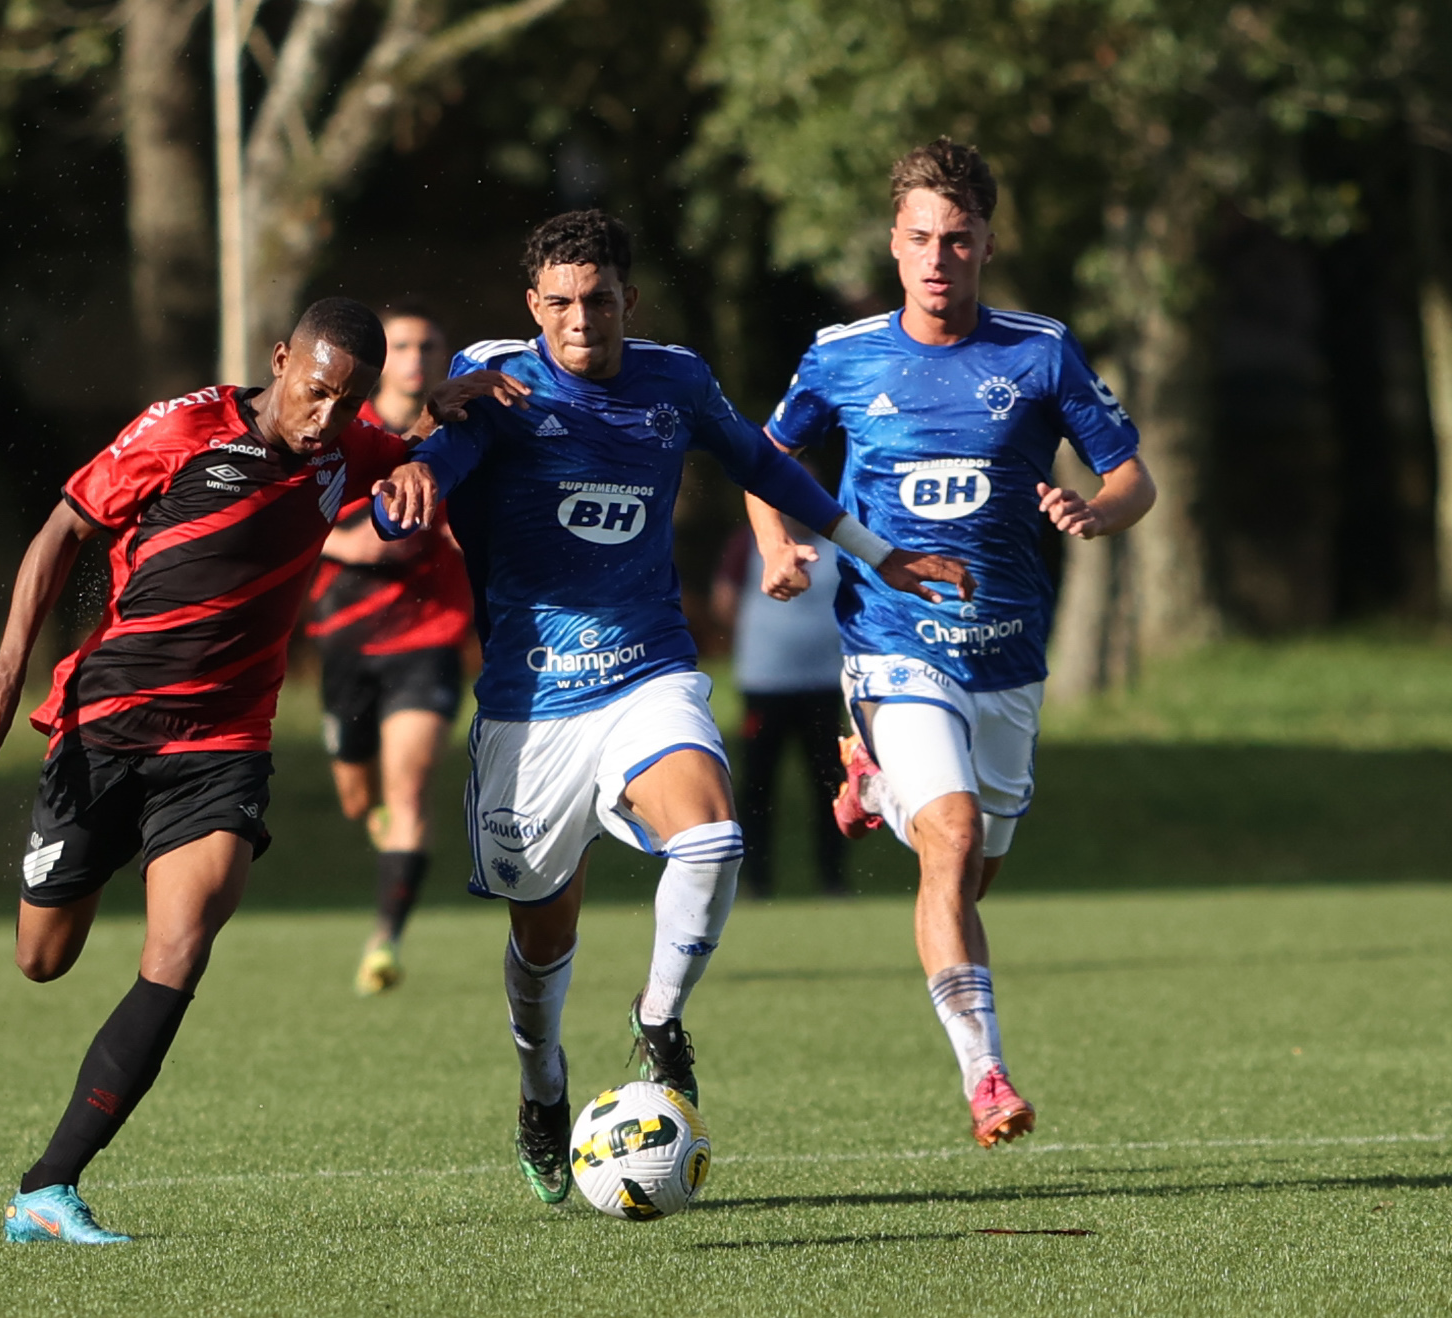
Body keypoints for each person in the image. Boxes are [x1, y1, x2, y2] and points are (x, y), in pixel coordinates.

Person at [372, 209, 973, 1204]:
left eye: (597, 299)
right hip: (531, 705)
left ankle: (658, 1018)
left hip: (649, 671)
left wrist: (880, 553)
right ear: (533, 307)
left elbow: (762, 463)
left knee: (713, 840)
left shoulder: (676, 381)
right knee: (540, 941)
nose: (579, 319)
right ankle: (541, 1085)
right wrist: (412, 479)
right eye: (558, 302)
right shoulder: (499, 385)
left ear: (628, 300)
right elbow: (430, 473)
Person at [0, 298, 514, 1246]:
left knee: (182, 946)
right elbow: (58, 534)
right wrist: (4, 675)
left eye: (346, 401)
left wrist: (438, 412)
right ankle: (102, 856)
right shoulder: (182, 427)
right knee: (43, 960)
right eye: (316, 391)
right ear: (280, 360)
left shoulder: (346, 445)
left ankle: (48, 1185)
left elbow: (393, 444)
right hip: (107, 724)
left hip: (222, 743)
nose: (326, 418)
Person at [754, 138, 1157, 1148]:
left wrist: (1098, 514)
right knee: (958, 836)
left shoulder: (1041, 350)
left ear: (987, 245)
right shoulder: (842, 355)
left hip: (1008, 658)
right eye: (922, 238)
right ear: (895, 244)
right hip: (892, 646)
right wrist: (780, 545)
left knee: (967, 870)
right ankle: (986, 1075)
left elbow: (1133, 477)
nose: (939, 258)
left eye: (960, 240)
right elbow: (762, 455)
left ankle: (877, 788)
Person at [306, 305, 473, 995]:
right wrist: (352, 543)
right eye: (400, 344)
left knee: (410, 790)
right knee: (357, 797)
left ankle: (384, 942)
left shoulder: (461, 436)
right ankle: (374, 816)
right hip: (344, 642)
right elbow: (290, 519)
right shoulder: (339, 428)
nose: (413, 356)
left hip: (428, 637)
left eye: (427, 344)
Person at [710, 499, 847, 899]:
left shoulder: (837, 547)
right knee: (758, 787)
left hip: (824, 683)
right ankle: (756, 881)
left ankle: (832, 878)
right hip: (765, 684)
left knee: (829, 786)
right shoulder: (750, 544)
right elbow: (724, 599)